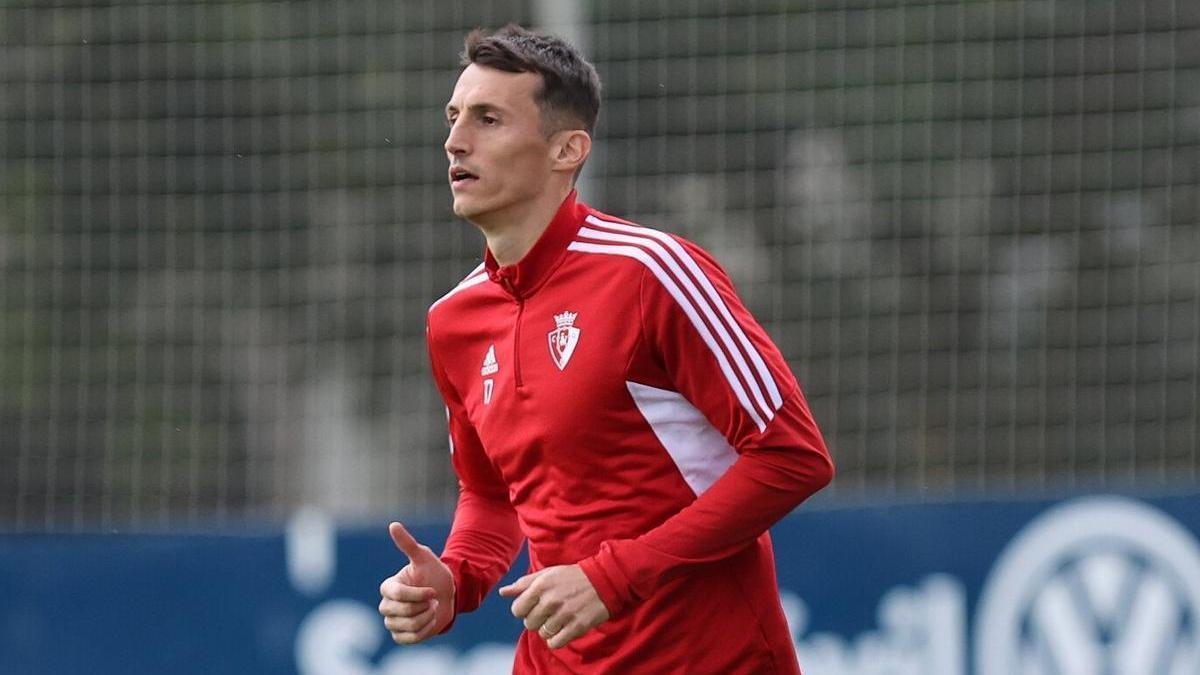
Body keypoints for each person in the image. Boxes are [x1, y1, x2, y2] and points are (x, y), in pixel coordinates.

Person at [378, 24, 834, 674]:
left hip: (710, 658)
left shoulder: (653, 273)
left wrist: (613, 575)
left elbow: (795, 456)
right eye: (454, 117)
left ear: (567, 149)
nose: (455, 140)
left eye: (488, 119)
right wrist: (454, 579)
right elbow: (492, 494)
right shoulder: (452, 321)